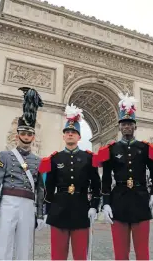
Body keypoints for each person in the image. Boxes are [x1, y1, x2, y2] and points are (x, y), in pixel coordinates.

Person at [95, 93, 153, 260]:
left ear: (135, 127)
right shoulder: (110, 149)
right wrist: (106, 203)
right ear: (119, 127)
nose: (127, 127)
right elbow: (107, 179)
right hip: (119, 201)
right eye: (124, 124)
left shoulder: (146, 148)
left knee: (142, 251)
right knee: (120, 252)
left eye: (130, 124)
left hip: (141, 199)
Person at [0, 87, 45, 260]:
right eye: (23, 133)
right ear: (17, 135)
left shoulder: (38, 161)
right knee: (2, 245)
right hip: (8, 203)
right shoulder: (5, 156)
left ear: (33, 137)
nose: (26, 136)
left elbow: (40, 189)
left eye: (29, 134)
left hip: (28, 205)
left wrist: (40, 213)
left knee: (25, 247)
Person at [38, 104, 101, 260]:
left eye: (74, 132)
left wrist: (94, 206)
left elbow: (96, 185)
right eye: (67, 132)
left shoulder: (89, 158)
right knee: (58, 256)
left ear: (79, 137)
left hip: (81, 210)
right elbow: (49, 188)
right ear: (63, 136)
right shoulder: (54, 159)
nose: (70, 134)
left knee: (80, 255)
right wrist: (47, 210)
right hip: (59, 210)